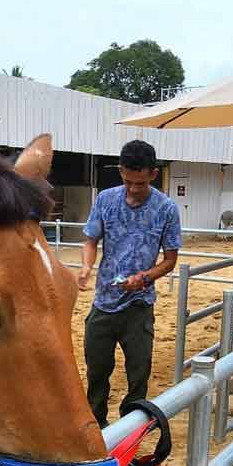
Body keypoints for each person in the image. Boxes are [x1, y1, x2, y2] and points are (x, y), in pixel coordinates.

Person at [78, 140, 181, 427]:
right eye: (128, 181)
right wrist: (87, 265)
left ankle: (131, 428)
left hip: (139, 305)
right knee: (97, 370)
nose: (133, 189)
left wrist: (146, 278)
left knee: (139, 372)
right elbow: (90, 239)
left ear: (153, 174)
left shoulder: (166, 209)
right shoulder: (106, 199)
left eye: (140, 182)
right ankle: (97, 425)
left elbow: (170, 260)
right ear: (121, 171)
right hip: (104, 301)